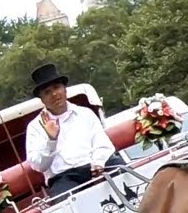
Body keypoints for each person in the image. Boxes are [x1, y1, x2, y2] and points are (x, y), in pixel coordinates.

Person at [24, 63, 123, 197]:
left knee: (122, 168)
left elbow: (103, 144)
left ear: (65, 89)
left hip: (96, 165)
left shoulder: (85, 113)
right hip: (63, 178)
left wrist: (98, 163)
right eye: (47, 92)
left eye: (56, 87)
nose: (54, 94)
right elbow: (38, 165)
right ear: (42, 99)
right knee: (64, 200)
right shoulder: (35, 127)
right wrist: (51, 140)